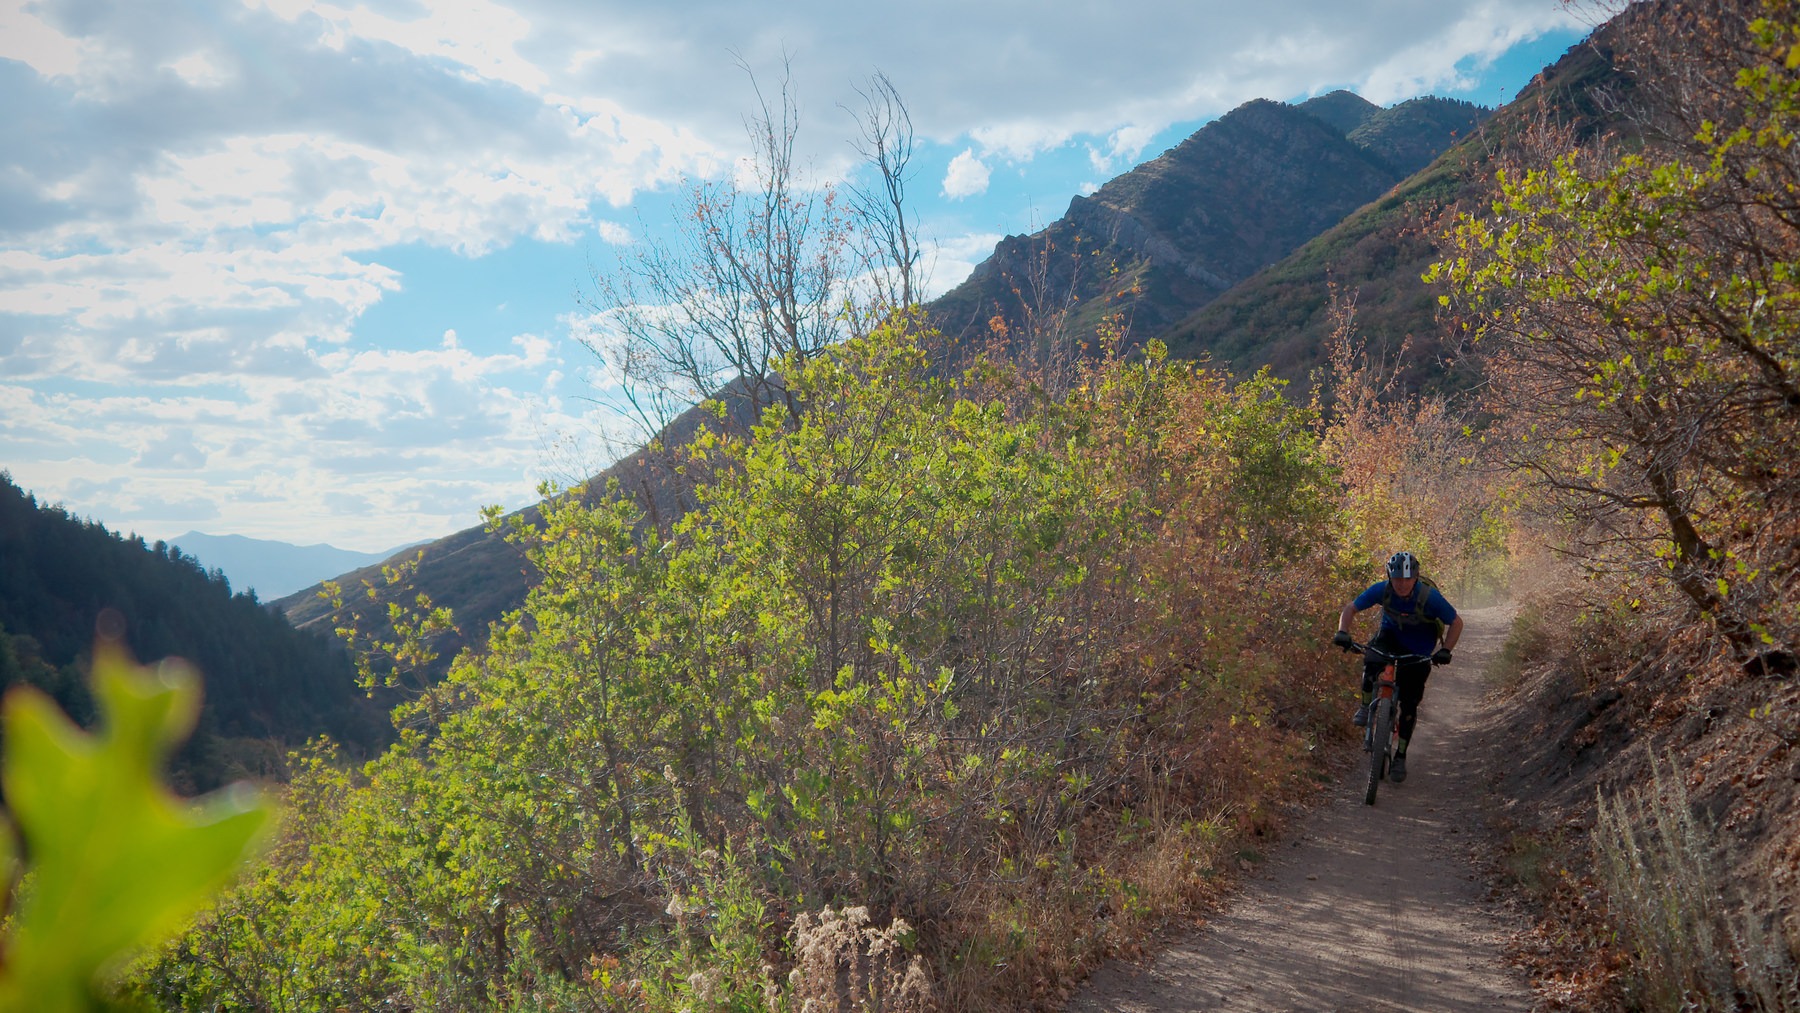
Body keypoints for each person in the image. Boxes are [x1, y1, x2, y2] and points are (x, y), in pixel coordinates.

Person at [1331, 550, 1462, 783]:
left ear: (1416, 577)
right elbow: (1350, 608)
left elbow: (1456, 622)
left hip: (1419, 648)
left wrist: (1445, 650)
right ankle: (1364, 706)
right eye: (1397, 579)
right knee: (1371, 660)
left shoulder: (1429, 597)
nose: (1402, 584)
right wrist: (1342, 632)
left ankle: (1400, 756)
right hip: (1389, 637)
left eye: (1407, 579)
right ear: (1390, 577)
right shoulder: (1381, 590)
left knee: (1410, 705)